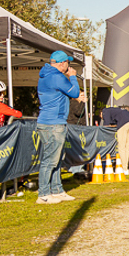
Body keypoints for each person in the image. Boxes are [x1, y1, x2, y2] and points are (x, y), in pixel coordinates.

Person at [36, 50, 85, 205]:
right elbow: (75, 92)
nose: (68, 66)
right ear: (62, 63)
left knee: (56, 159)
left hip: (49, 122)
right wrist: (72, 77)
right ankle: (44, 194)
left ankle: (57, 190)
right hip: (53, 123)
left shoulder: (46, 75)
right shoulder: (57, 77)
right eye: (67, 63)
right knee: (50, 160)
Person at [102, 106, 129, 172]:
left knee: (121, 147)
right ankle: (126, 168)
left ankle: (123, 168)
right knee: (127, 147)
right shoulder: (116, 110)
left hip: (123, 123)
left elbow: (106, 125)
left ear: (101, 113)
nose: (102, 118)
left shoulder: (105, 111)